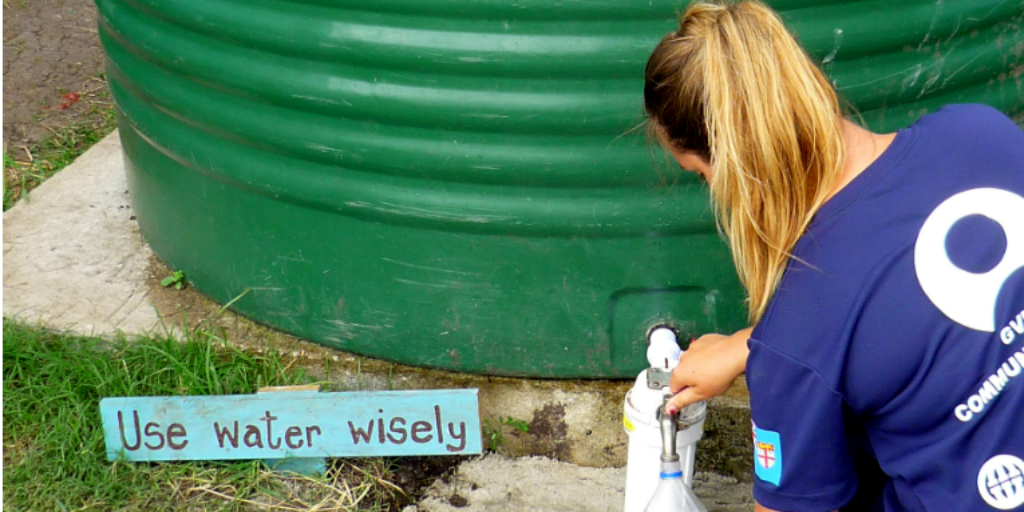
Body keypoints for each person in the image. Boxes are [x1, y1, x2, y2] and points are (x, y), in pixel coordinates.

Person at [643, 1, 1024, 511]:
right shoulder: (982, 132)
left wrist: (775, 354)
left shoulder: (799, 335)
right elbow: (899, 296)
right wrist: (751, 345)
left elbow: (841, 318)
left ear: (736, 168)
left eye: (702, 175)